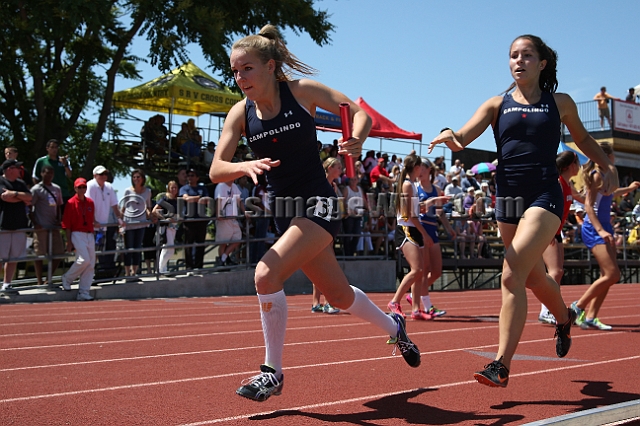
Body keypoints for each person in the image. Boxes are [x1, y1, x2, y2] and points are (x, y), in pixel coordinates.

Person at [210, 24, 420, 402]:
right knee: (338, 295)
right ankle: (395, 325)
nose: (240, 77)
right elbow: (216, 168)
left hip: (318, 203)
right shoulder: (240, 113)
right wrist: (244, 167)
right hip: (284, 211)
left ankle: (272, 373)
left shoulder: (300, 92)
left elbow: (358, 114)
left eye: (247, 69)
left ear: (271, 66)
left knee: (265, 273)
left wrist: (356, 139)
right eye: (235, 71)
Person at [428, 34, 619, 387]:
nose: (518, 61)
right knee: (531, 277)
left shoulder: (559, 103)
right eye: (513, 55)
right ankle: (564, 317)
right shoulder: (495, 105)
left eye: (526, 55)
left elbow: (583, 140)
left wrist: (607, 165)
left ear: (541, 63)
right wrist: (446, 133)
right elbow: (462, 138)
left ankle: (500, 364)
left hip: (545, 196)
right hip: (508, 199)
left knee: (511, 274)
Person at [571, 143, 640, 331]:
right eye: (613, 155)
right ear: (606, 156)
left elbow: (609, 194)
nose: (615, 158)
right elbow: (589, 207)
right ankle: (577, 307)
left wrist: (628, 188)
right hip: (594, 228)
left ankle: (591, 317)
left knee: (606, 275)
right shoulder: (596, 175)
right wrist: (601, 230)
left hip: (604, 227)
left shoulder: (606, 176)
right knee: (613, 274)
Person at [406, 159, 453, 317]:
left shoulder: (436, 188)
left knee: (437, 271)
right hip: (421, 228)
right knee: (423, 269)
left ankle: (415, 294)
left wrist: (449, 228)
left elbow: (439, 212)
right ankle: (427, 306)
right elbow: (418, 208)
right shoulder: (415, 188)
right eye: (419, 168)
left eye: (424, 168)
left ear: (429, 170)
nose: (421, 171)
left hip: (432, 229)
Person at [387, 155, 432, 320]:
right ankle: (394, 301)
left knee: (420, 272)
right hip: (407, 229)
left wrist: (424, 208)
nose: (423, 170)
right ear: (416, 167)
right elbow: (409, 215)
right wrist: (425, 233)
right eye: (421, 167)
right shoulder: (407, 185)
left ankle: (416, 309)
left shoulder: (411, 185)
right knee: (417, 270)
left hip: (413, 228)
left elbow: (413, 211)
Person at [310, 157, 343, 314]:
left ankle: (318, 302)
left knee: (322, 265)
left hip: (327, 226)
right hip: (319, 225)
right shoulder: (320, 182)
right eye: (338, 166)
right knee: (326, 264)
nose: (341, 169)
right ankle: (325, 302)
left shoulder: (333, 185)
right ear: (329, 168)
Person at [61, 178, 96, 301]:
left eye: (84, 187)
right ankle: (67, 278)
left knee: (91, 263)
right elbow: (66, 224)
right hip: (77, 233)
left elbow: (92, 219)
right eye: (79, 187)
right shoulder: (70, 203)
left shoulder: (90, 202)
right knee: (84, 260)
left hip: (89, 234)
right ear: (75, 188)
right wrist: (69, 241)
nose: (82, 189)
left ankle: (84, 292)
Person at [0, 159, 33, 294]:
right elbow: (4, 197)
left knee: (13, 257)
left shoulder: (20, 183)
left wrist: (14, 194)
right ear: (9, 169)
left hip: (19, 225)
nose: (20, 170)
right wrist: (20, 198)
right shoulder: (0, 181)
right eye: (16, 168)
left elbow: (29, 197)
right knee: (1, 257)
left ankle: (7, 283)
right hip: (3, 226)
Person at [29, 165, 64, 287]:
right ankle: (39, 281)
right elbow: (29, 208)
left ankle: (49, 278)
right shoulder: (36, 189)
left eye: (51, 173)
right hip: (41, 227)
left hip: (53, 227)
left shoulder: (57, 189)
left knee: (59, 252)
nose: (49, 175)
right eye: (47, 173)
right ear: (42, 174)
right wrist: (35, 223)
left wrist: (59, 220)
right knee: (39, 254)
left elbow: (59, 206)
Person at [87, 165, 122, 272]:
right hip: (92, 226)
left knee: (101, 250)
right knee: (91, 252)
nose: (103, 176)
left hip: (104, 226)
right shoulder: (90, 185)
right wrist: (93, 220)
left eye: (105, 174)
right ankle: (87, 274)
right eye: (101, 174)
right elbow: (89, 204)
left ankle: (100, 273)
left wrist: (120, 220)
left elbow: (115, 205)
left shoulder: (109, 187)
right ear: (95, 175)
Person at [121, 169, 153, 279]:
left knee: (137, 248)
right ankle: (127, 272)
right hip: (129, 222)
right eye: (134, 177)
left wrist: (151, 216)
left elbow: (148, 207)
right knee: (128, 248)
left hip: (141, 223)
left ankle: (134, 272)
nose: (136, 179)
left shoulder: (147, 192)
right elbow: (123, 208)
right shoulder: (127, 191)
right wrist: (120, 222)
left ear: (143, 178)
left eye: (138, 177)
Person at [179, 168, 209, 270]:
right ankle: (189, 267)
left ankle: (199, 266)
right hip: (189, 220)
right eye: (188, 175)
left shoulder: (203, 188)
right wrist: (198, 198)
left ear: (197, 178)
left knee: (200, 244)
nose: (190, 177)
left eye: (192, 175)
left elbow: (206, 201)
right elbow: (186, 198)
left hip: (201, 220)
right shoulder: (184, 188)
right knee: (188, 244)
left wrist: (194, 199)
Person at [214, 176, 244, 266]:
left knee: (237, 239)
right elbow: (218, 200)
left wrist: (245, 211)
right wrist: (219, 213)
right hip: (224, 218)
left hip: (233, 218)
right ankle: (224, 261)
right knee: (223, 242)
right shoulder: (221, 186)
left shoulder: (234, 186)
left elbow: (239, 200)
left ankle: (223, 258)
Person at [153, 181, 180, 274]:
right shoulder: (165, 199)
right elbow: (154, 210)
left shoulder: (177, 200)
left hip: (174, 226)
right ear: (168, 188)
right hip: (166, 226)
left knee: (169, 249)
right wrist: (165, 218)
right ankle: (160, 269)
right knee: (168, 248)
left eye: (175, 187)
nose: (174, 190)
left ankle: (163, 268)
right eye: (172, 188)